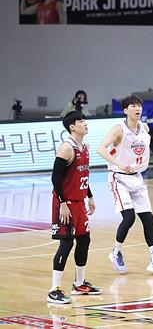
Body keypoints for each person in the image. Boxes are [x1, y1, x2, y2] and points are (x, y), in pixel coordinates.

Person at [97, 95, 153, 275]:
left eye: (139, 106)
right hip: (118, 177)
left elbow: (151, 142)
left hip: (136, 177)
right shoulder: (118, 129)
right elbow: (101, 149)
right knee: (129, 217)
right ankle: (116, 252)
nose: (137, 109)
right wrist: (119, 164)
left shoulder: (143, 127)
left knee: (148, 219)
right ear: (125, 110)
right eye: (133, 106)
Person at [48, 111, 101, 304]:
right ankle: (54, 290)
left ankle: (79, 284)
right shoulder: (66, 148)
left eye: (84, 120)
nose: (85, 123)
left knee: (84, 240)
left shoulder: (85, 147)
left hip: (79, 202)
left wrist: (90, 196)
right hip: (66, 203)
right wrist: (62, 203)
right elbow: (55, 178)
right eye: (81, 121)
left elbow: (81, 176)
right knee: (67, 243)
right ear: (72, 126)